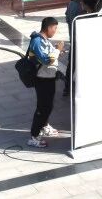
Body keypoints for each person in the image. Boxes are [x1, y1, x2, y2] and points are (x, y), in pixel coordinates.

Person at [27, 17, 63, 147]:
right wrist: (58, 50)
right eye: (55, 28)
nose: (55, 31)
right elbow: (46, 60)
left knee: (48, 106)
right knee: (42, 108)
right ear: (48, 27)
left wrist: (57, 52)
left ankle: (44, 126)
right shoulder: (37, 41)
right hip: (42, 80)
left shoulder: (44, 40)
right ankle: (34, 136)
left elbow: (50, 56)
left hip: (49, 78)